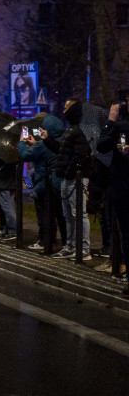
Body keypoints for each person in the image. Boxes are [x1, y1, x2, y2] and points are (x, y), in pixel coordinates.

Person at [53, 99, 93, 260]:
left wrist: (70, 172)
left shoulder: (80, 129)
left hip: (75, 178)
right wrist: (47, 140)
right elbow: (64, 151)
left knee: (79, 214)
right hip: (68, 176)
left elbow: (80, 155)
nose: (63, 111)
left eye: (66, 108)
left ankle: (84, 249)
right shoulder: (72, 128)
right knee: (68, 215)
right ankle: (70, 246)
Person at [19, 116, 67, 251]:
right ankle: (66, 244)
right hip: (58, 184)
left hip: (43, 183)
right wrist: (36, 143)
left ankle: (46, 242)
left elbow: (26, 154)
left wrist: (22, 142)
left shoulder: (43, 145)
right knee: (61, 216)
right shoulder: (61, 142)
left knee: (45, 216)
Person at [97, 100, 129, 284]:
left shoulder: (120, 126)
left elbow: (101, 145)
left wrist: (110, 121)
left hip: (122, 185)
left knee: (126, 230)